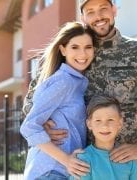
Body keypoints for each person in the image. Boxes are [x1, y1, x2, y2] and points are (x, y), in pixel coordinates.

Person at [23, 0, 137, 174]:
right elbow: (33, 101)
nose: (98, 17)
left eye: (103, 9)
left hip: (127, 166)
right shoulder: (76, 52)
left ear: (114, 10)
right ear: (83, 17)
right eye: (90, 11)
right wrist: (44, 127)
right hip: (84, 165)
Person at [20, 22, 96, 180]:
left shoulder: (77, 82)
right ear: (63, 50)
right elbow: (29, 127)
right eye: (75, 47)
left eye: (88, 47)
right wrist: (67, 161)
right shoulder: (64, 81)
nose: (82, 54)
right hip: (51, 172)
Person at [70, 95, 137, 179]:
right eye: (98, 120)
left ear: (120, 123)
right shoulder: (83, 160)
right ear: (89, 124)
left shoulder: (129, 158)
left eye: (110, 120)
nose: (105, 126)